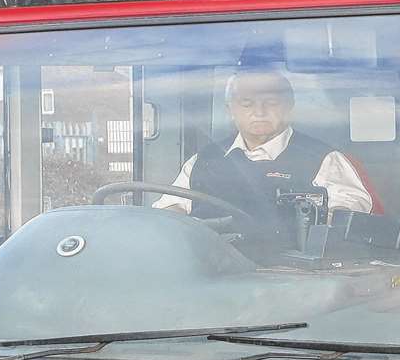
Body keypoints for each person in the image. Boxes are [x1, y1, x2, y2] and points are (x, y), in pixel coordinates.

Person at [156, 65, 374, 247]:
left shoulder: (324, 159)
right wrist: (175, 221)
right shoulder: (202, 161)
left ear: (289, 107)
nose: (259, 112)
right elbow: (170, 209)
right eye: (247, 104)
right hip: (211, 277)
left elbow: (347, 213)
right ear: (230, 109)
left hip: (290, 281)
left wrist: (325, 222)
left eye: (270, 103)